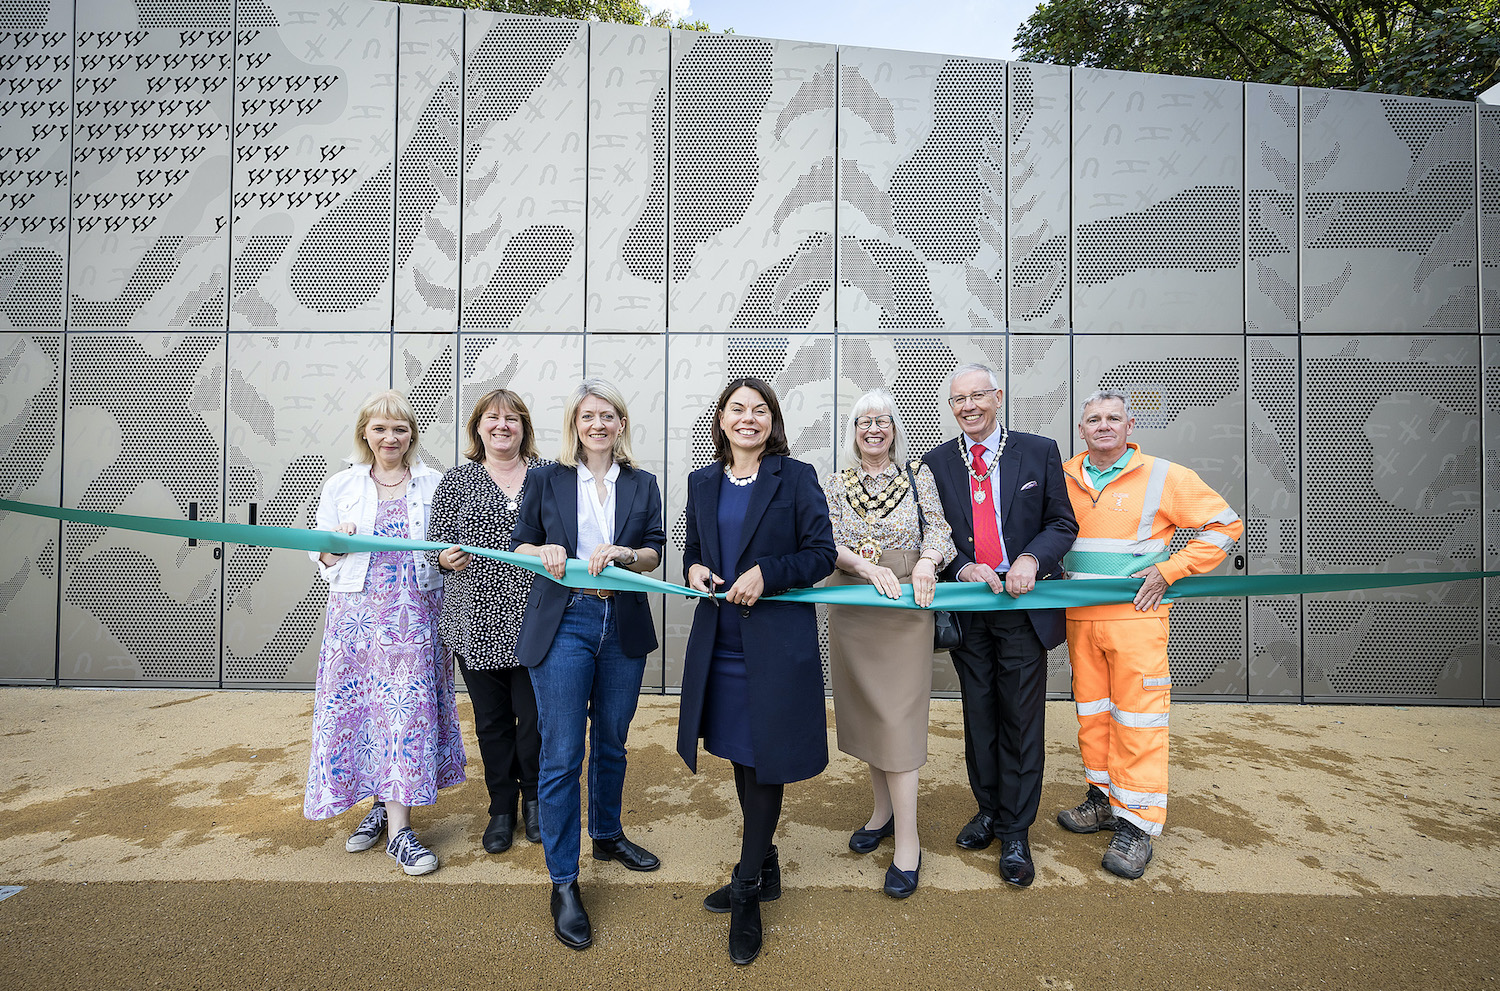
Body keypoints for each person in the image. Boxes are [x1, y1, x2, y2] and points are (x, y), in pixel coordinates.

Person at [677, 376, 837, 965]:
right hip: (719, 641)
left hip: (773, 646)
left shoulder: (795, 478)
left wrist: (769, 571)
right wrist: (695, 569)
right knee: (742, 754)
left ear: (772, 421)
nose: (749, 418)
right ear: (721, 419)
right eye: (737, 409)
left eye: (760, 410)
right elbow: (693, 551)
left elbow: (820, 553)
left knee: (765, 756)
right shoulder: (701, 483)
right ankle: (764, 863)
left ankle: (747, 887)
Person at [1056, 389, 1242, 879]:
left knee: (1138, 721)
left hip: (1136, 617)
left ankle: (1137, 826)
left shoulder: (1163, 475)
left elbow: (1225, 525)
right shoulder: (1066, 477)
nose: (1103, 426)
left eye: (1113, 418)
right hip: (1079, 618)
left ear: (1129, 425)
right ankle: (1102, 800)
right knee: (1093, 716)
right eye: (1093, 419)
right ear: (1081, 430)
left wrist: (1172, 570)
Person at [510, 378, 666, 952]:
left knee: (612, 744)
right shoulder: (546, 479)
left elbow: (654, 550)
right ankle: (564, 881)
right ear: (574, 425)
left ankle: (606, 835)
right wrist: (543, 551)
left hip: (620, 622)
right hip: (565, 621)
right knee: (561, 753)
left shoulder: (644, 483)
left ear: (621, 424)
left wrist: (627, 554)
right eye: (587, 416)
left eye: (608, 416)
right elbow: (521, 543)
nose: (597, 424)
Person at [921, 363, 1077, 888]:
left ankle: (1016, 830)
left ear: (998, 396)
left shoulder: (1038, 451)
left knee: (1020, 720)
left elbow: (1062, 522)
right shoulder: (936, 462)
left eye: (978, 396)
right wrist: (961, 567)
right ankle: (987, 810)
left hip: (1023, 610)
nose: (968, 407)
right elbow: (934, 536)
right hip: (971, 611)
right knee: (979, 716)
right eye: (958, 399)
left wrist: (1032, 558)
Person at [304, 389, 466, 876]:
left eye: (399, 428)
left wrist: (449, 559)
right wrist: (338, 545)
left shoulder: (435, 484)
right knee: (362, 712)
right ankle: (380, 806)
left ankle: (400, 832)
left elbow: (447, 552)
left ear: (411, 435)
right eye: (380, 428)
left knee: (405, 715)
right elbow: (321, 555)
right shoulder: (341, 486)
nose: (390, 437)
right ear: (365, 434)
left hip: (415, 615)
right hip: (356, 619)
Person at [822, 389, 954, 899]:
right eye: (863, 422)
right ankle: (880, 813)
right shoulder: (834, 483)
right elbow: (825, 539)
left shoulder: (918, 476)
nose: (873, 429)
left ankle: (908, 840)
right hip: (854, 602)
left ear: (895, 429)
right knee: (867, 714)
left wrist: (925, 563)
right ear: (853, 431)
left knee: (898, 718)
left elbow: (940, 533)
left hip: (904, 605)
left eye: (882, 421)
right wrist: (861, 564)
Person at [426, 390, 550, 856]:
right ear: (478, 428)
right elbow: (434, 548)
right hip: (474, 621)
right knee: (492, 722)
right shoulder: (455, 482)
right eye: (492, 418)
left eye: (512, 418)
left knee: (534, 719)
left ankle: (535, 801)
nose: (502, 425)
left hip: (536, 620)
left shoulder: (548, 477)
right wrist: (444, 558)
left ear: (525, 427)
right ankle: (502, 806)